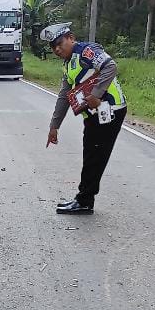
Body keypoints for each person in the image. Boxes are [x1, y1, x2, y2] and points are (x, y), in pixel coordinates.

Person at [40, 22, 126, 215]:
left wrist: (96, 94)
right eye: (53, 47)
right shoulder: (68, 64)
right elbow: (64, 95)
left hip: (109, 109)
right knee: (91, 154)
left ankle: (85, 200)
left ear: (71, 38)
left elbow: (110, 66)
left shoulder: (86, 51)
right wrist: (55, 126)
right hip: (93, 114)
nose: (57, 49)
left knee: (95, 155)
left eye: (60, 43)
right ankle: (84, 199)